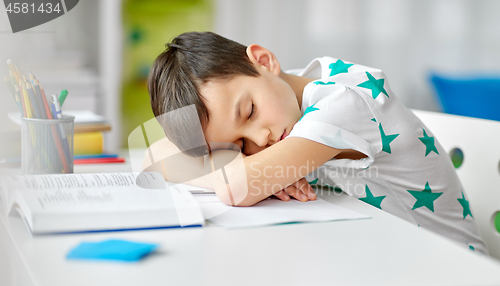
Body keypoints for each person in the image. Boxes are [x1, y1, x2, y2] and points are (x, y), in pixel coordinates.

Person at [146, 31, 488, 255]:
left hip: (454, 277)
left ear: (264, 61)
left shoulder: (343, 102)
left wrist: (241, 170)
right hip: (385, 255)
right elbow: (153, 153)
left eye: (249, 113)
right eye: (235, 146)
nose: (259, 141)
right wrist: (251, 167)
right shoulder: (285, 93)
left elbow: (237, 188)